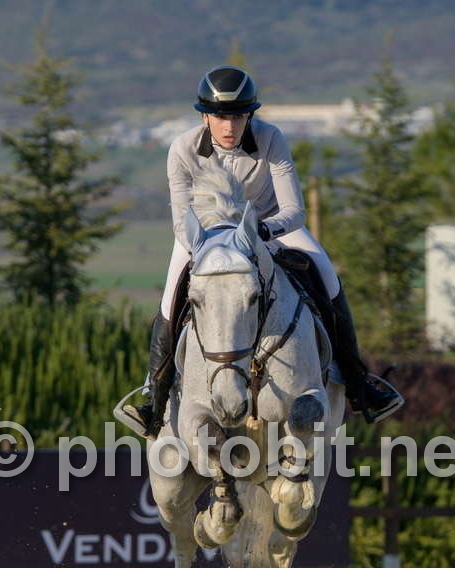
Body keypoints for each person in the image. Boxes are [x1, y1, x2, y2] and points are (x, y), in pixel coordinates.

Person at [125, 65, 403, 438]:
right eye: (221, 117)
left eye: (238, 116)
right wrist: (217, 240)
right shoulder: (182, 149)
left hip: (271, 228)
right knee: (170, 296)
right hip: (206, 238)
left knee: (327, 275)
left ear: (249, 115)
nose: (229, 126)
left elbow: (294, 211)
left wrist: (262, 232)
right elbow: (181, 222)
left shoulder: (271, 138)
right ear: (205, 116)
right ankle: (154, 401)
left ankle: (358, 384)